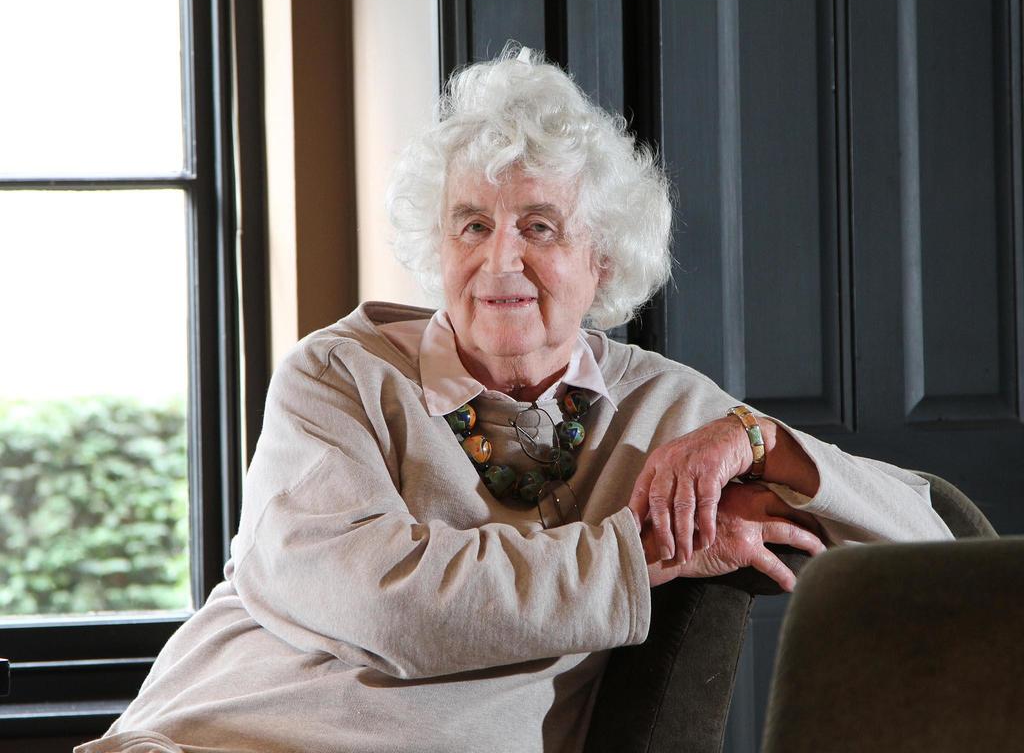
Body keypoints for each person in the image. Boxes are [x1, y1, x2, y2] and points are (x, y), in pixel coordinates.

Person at [76, 46, 952, 753]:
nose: (500, 261)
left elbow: (939, 546)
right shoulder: (340, 375)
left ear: (603, 260)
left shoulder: (659, 410)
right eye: (472, 225)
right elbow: (383, 605)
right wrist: (638, 553)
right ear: (437, 246)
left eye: (538, 226)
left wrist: (758, 440)